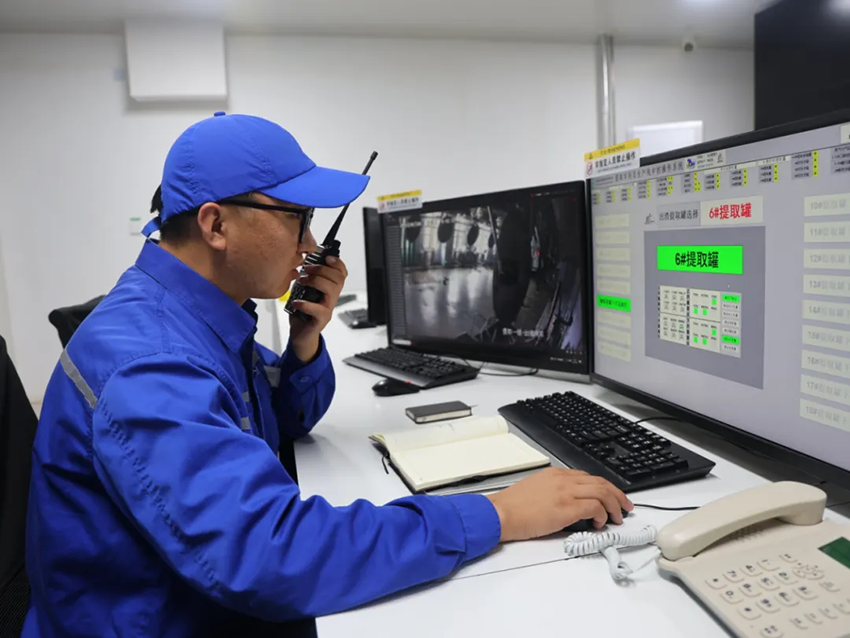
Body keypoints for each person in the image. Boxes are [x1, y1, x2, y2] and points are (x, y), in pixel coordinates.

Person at [24, 112, 632, 637]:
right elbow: (269, 555)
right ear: (215, 225)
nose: (310, 244)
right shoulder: (150, 362)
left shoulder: (196, 316)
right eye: (298, 218)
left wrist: (305, 340)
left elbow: (283, 419)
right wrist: (497, 514)